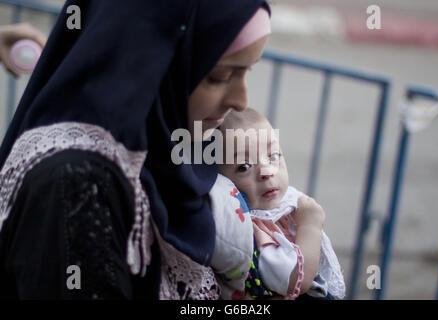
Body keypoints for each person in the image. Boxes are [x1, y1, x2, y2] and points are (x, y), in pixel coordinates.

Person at [0, 0, 271, 299]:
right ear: (149, 59)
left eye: (247, 72)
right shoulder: (77, 186)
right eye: (218, 76)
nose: (241, 100)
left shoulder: (183, 149)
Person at [214, 108, 346, 300]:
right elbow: (296, 280)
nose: (267, 171)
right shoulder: (253, 233)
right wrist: (310, 226)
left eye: (273, 156)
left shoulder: (285, 203)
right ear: (224, 184)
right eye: (244, 167)